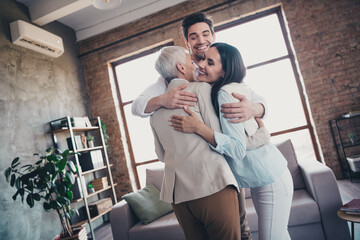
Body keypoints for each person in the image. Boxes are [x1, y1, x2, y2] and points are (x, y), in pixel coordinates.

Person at [132, 12, 267, 239]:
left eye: (205, 34)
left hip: (186, 190)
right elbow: (137, 106)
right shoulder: (192, 87)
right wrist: (164, 100)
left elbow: (161, 154)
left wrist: (255, 109)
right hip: (215, 180)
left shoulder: (227, 70)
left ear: (213, 36)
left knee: (241, 230)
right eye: (193, 37)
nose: (200, 40)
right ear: (187, 45)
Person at [169, 43, 294, 240]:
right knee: (278, 235)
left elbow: (237, 149)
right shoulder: (227, 87)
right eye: (203, 60)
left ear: (224, 71)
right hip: (264, 178)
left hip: (271, 179)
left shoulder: (225, 93)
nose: (202, 65)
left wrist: (198, 128)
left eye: (210, 63)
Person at [151, 45, 240, 240]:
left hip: (179, 198)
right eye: (191, 62)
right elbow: (217, 135)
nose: (197, 65)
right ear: (181, 67)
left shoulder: (155, 114)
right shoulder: (201, 89)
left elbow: (160, 155)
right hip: (211, 187)